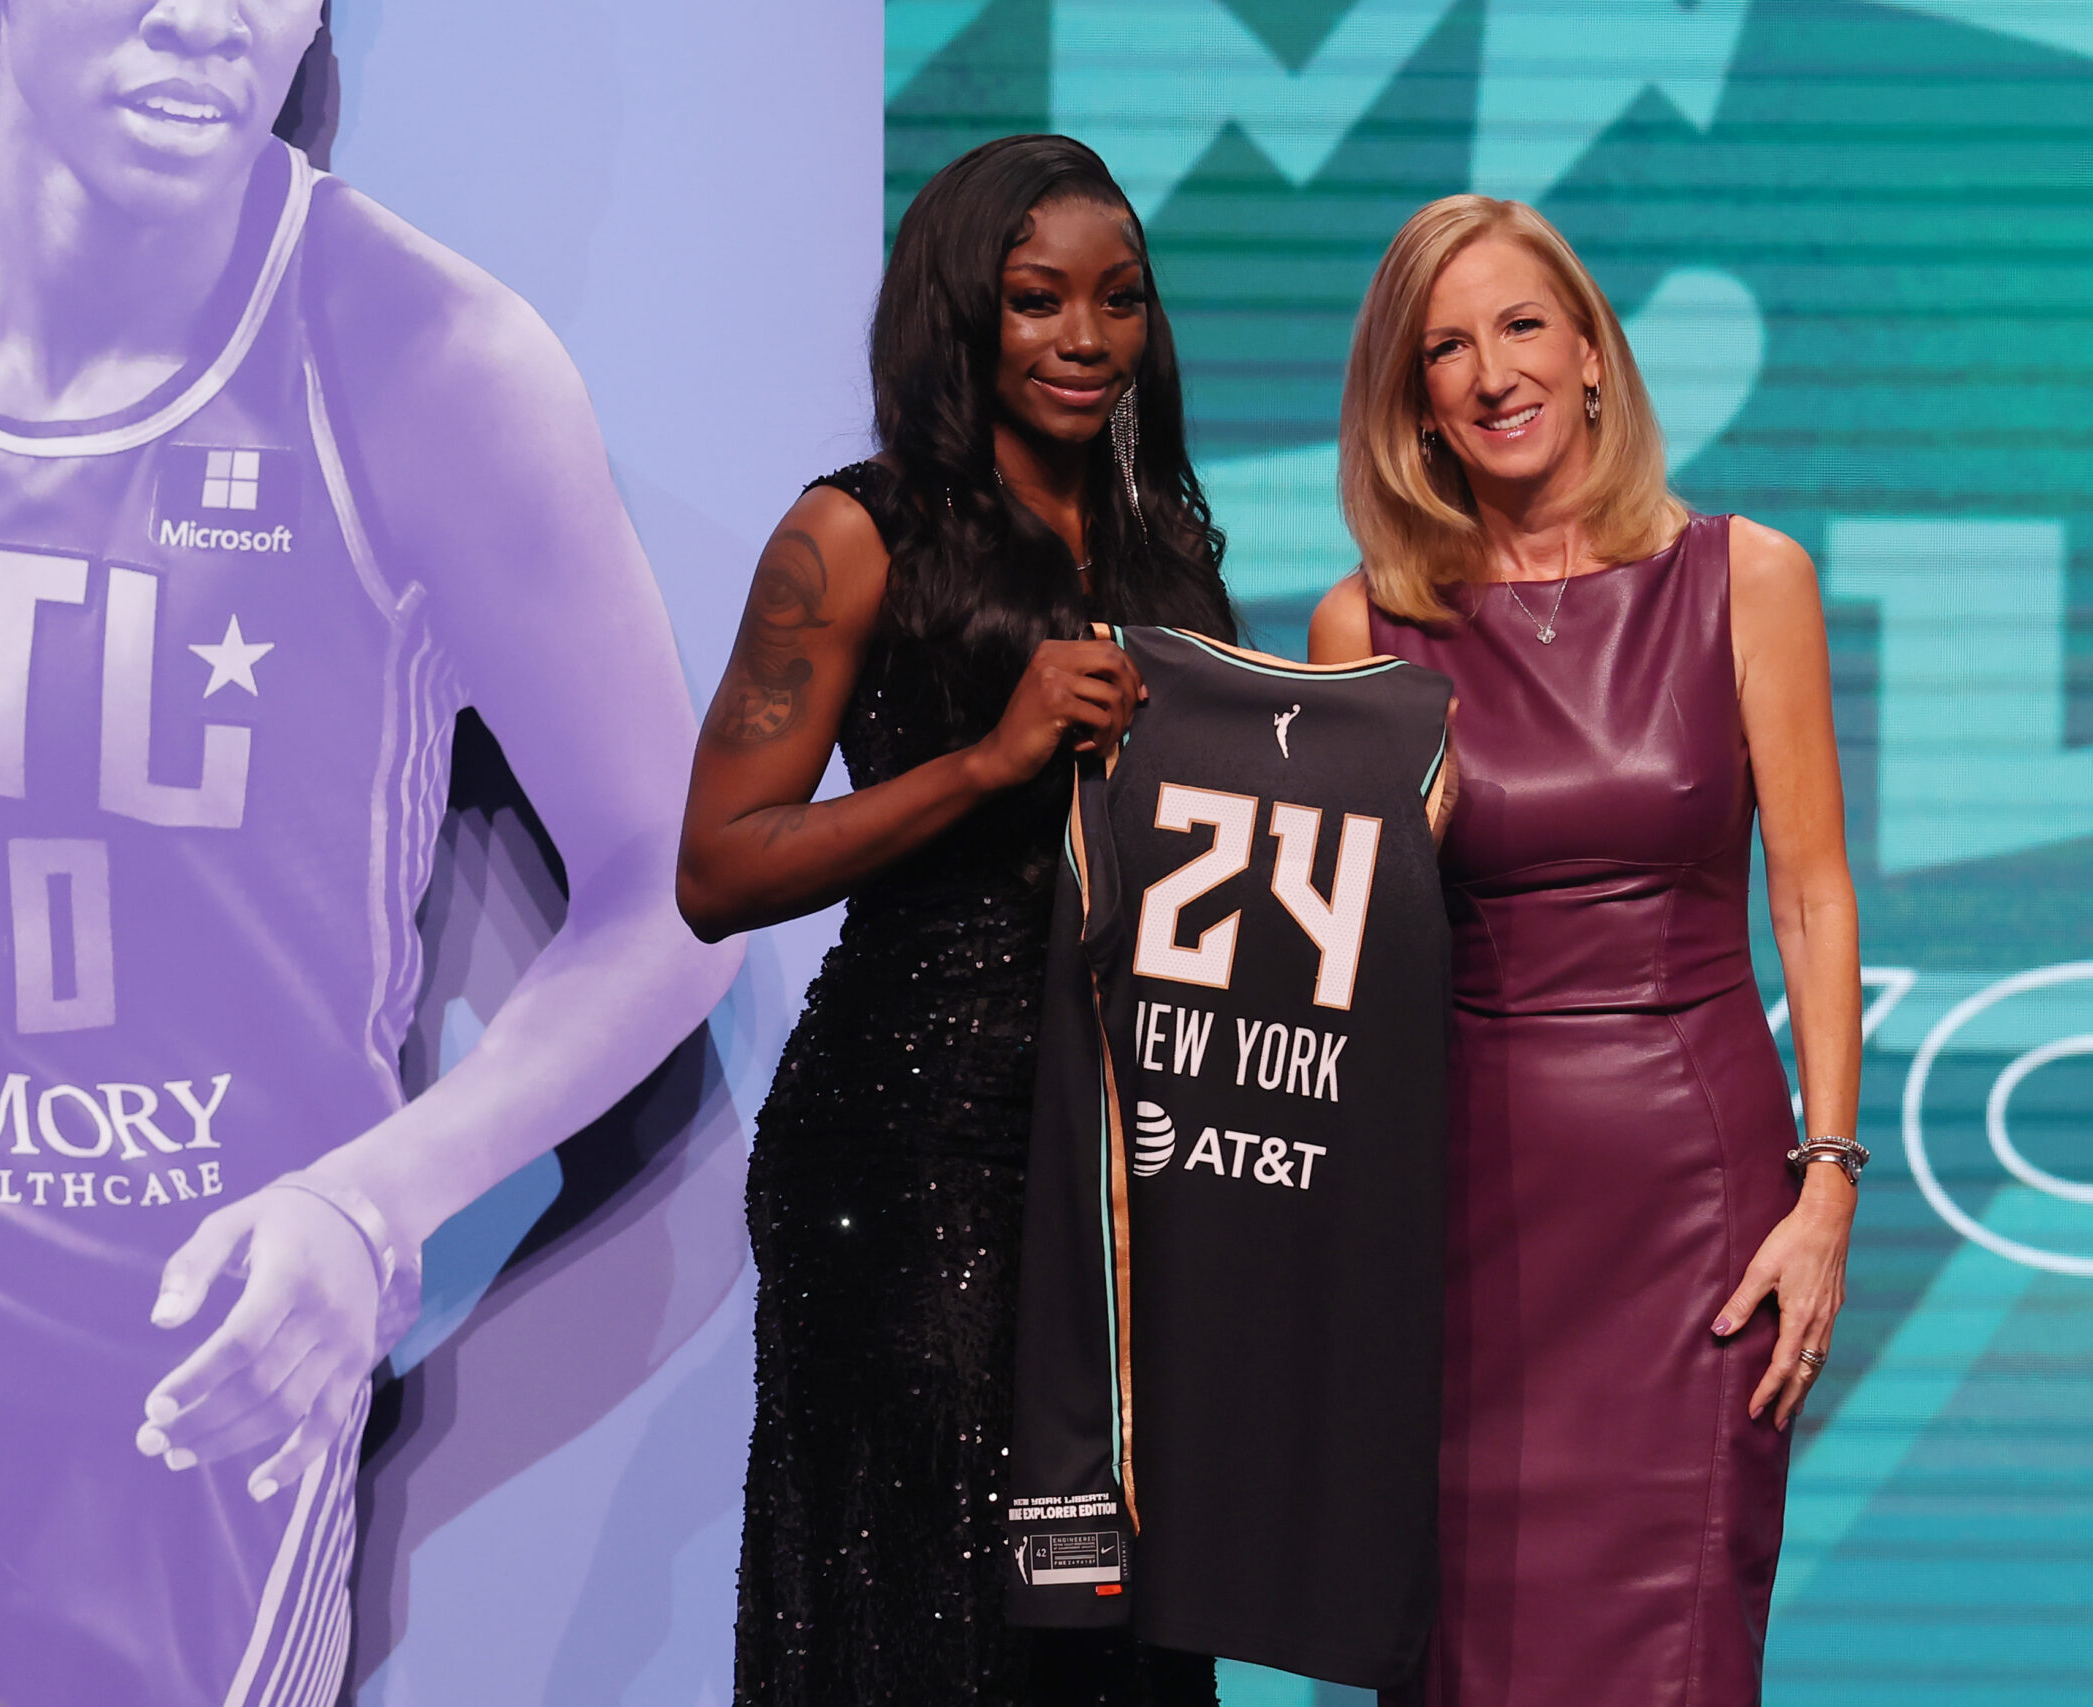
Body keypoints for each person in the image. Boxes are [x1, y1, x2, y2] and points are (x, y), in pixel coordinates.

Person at [0, 3, 743, 1706]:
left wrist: (368, 1199)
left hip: (190, 1398)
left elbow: (687, 886)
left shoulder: (421, 357)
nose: (204, 14)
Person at [677, 134, 1236, 1706]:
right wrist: (984, 762)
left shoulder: (1164, 546)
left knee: (1115, 1612)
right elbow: (717, 868)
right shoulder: (850, 532)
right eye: (1039, 300)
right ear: (959, 312)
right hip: (913, 1141)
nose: (1086, 340)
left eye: (1120, 303)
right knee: (931, 1611)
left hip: (1127, 1156)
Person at [1309, 195, 1866, 1704]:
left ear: (1597, 355)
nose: (1492, 372)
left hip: (1699, 1210)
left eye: (1520, 325)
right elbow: (1345, 958)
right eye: (1445, 349)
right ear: (1412, 403)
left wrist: (1828, 1188)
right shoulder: (1364, 626)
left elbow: (1811, 896)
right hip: (1464, 1218)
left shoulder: (1750, 577)